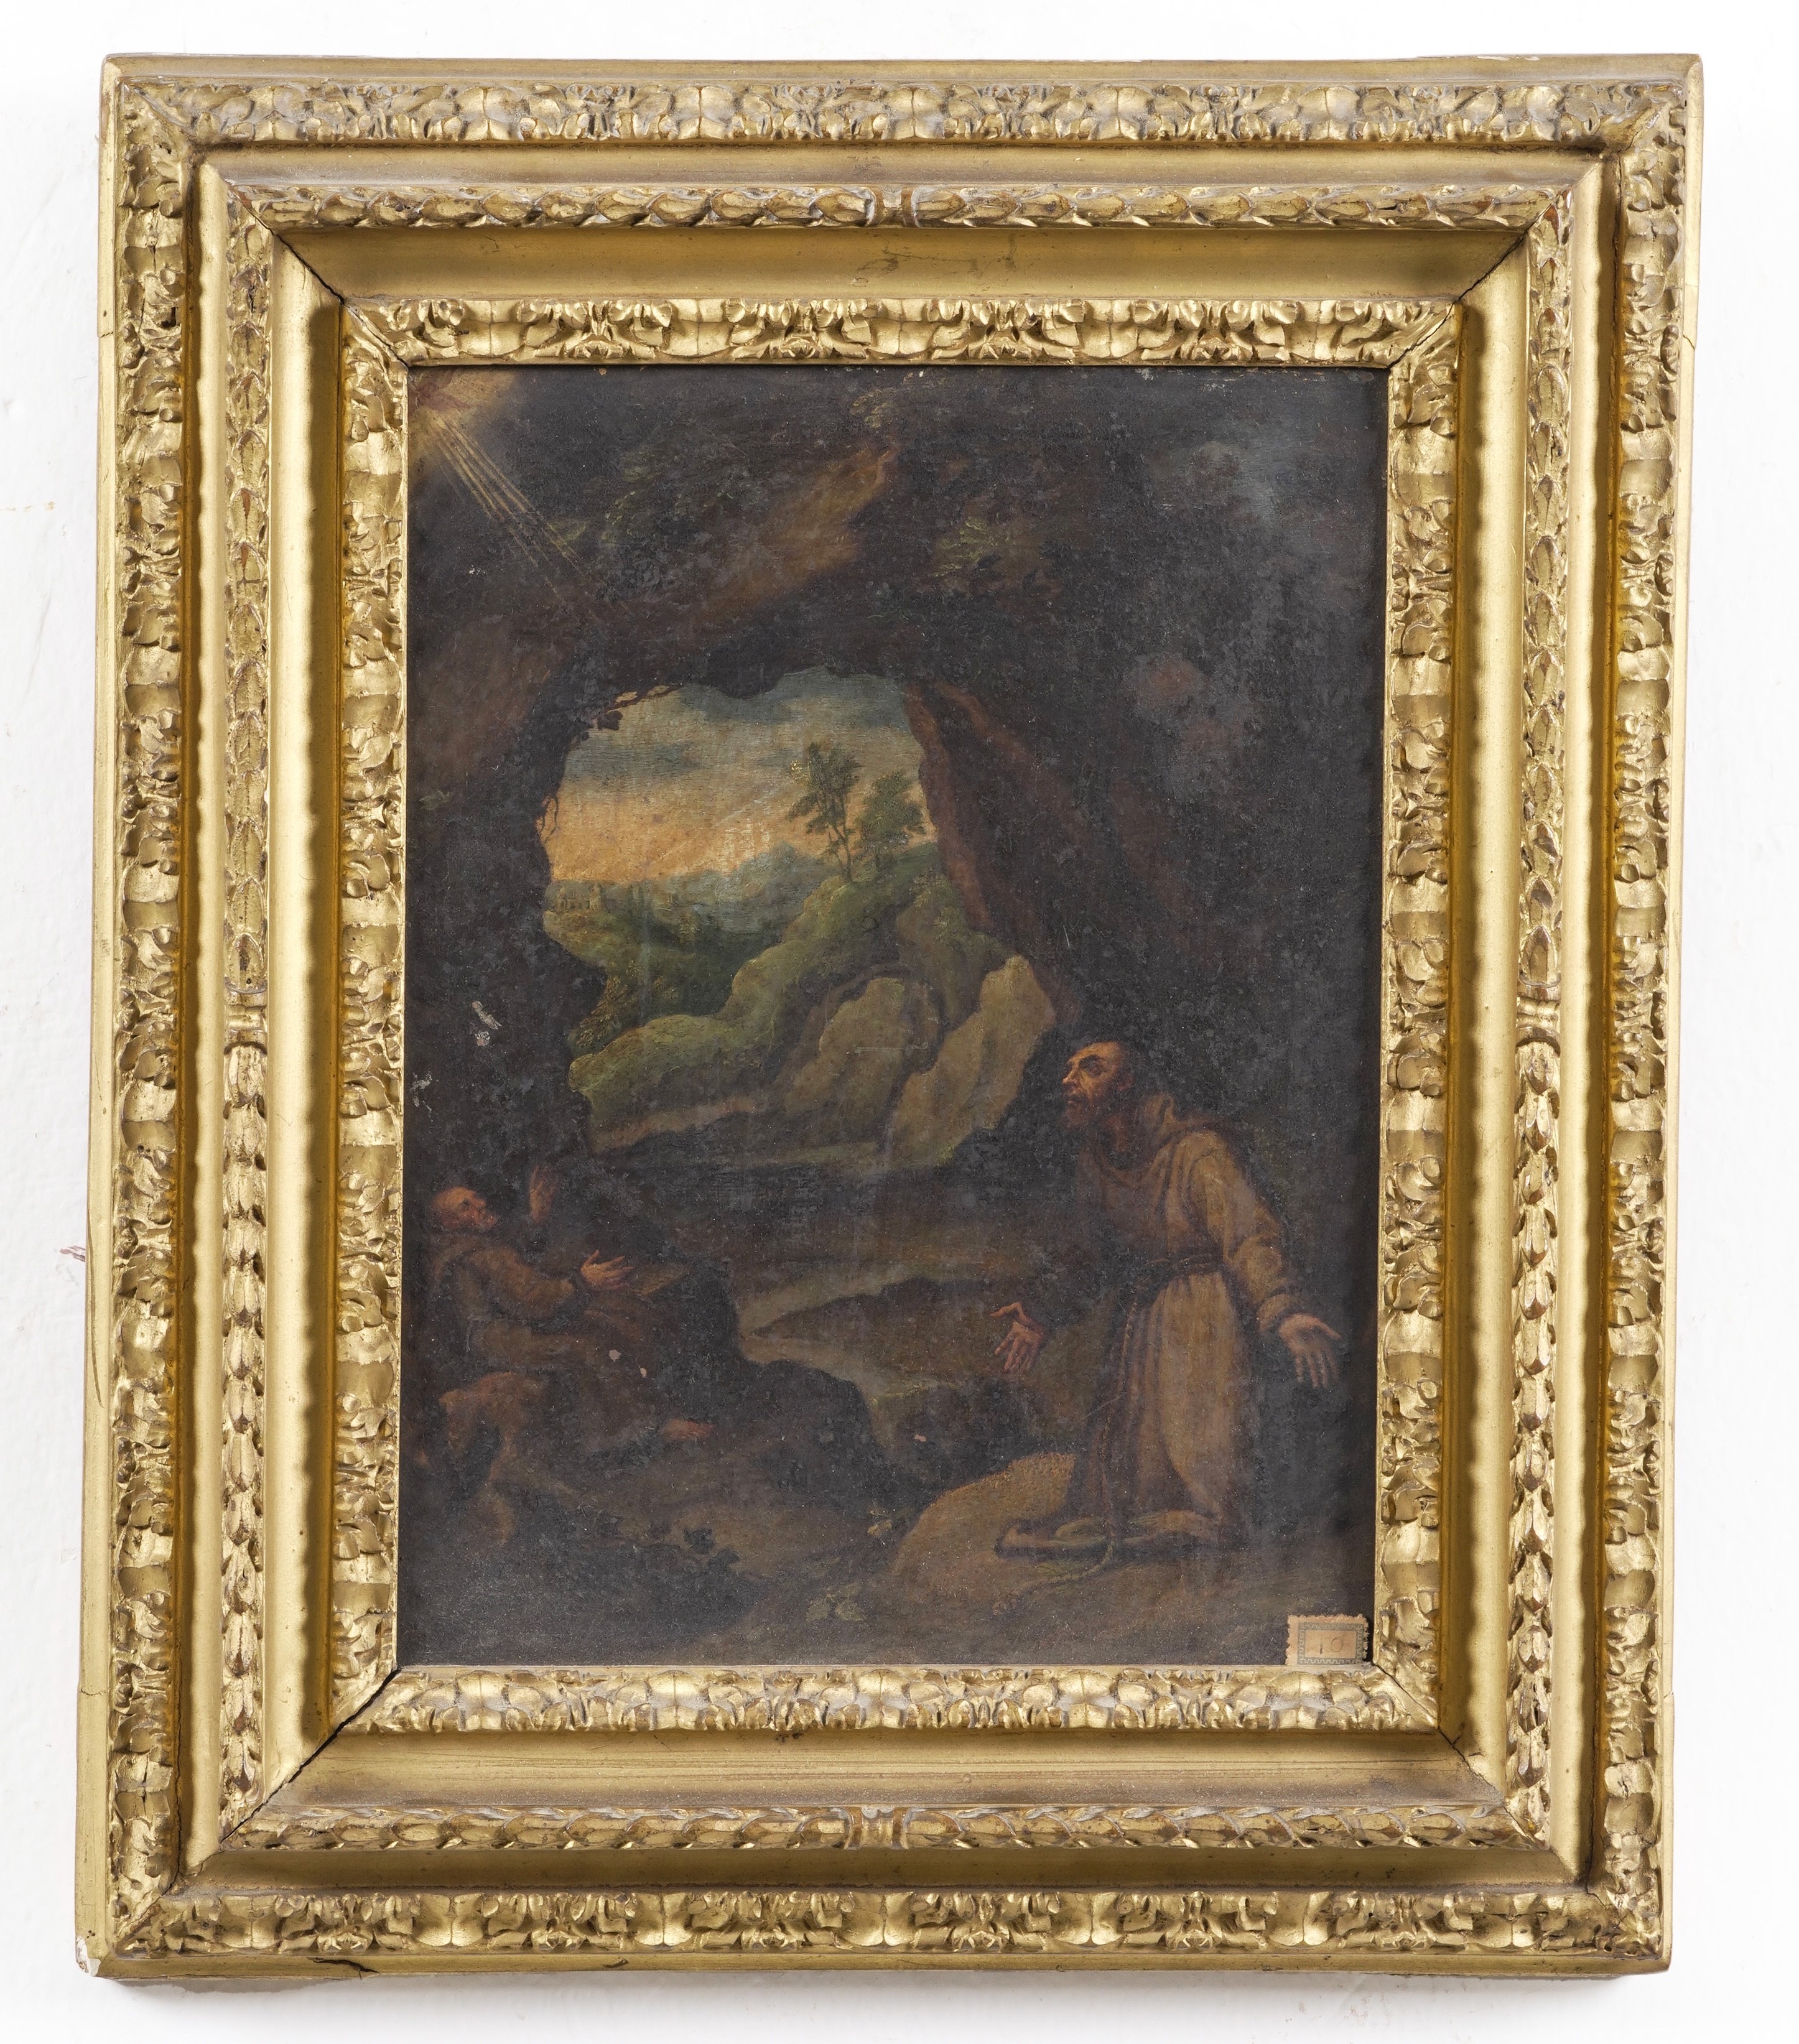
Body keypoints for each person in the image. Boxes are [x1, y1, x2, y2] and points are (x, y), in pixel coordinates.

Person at [991, 1040, 1340, 1558]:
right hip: (1143, 1321)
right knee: (1126, 1484)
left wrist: (1283, 1309)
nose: (1069, 1080)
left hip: (1208, 1318)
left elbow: (1248, 1234)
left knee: (1203, 1465)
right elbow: (1090, 1254)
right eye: (1069, 1069)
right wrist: (1041, 1313)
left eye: (1090, 1068)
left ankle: (1210, 1522)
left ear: (1127, 1083)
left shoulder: (1198, 1150)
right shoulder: (1097, 1160)